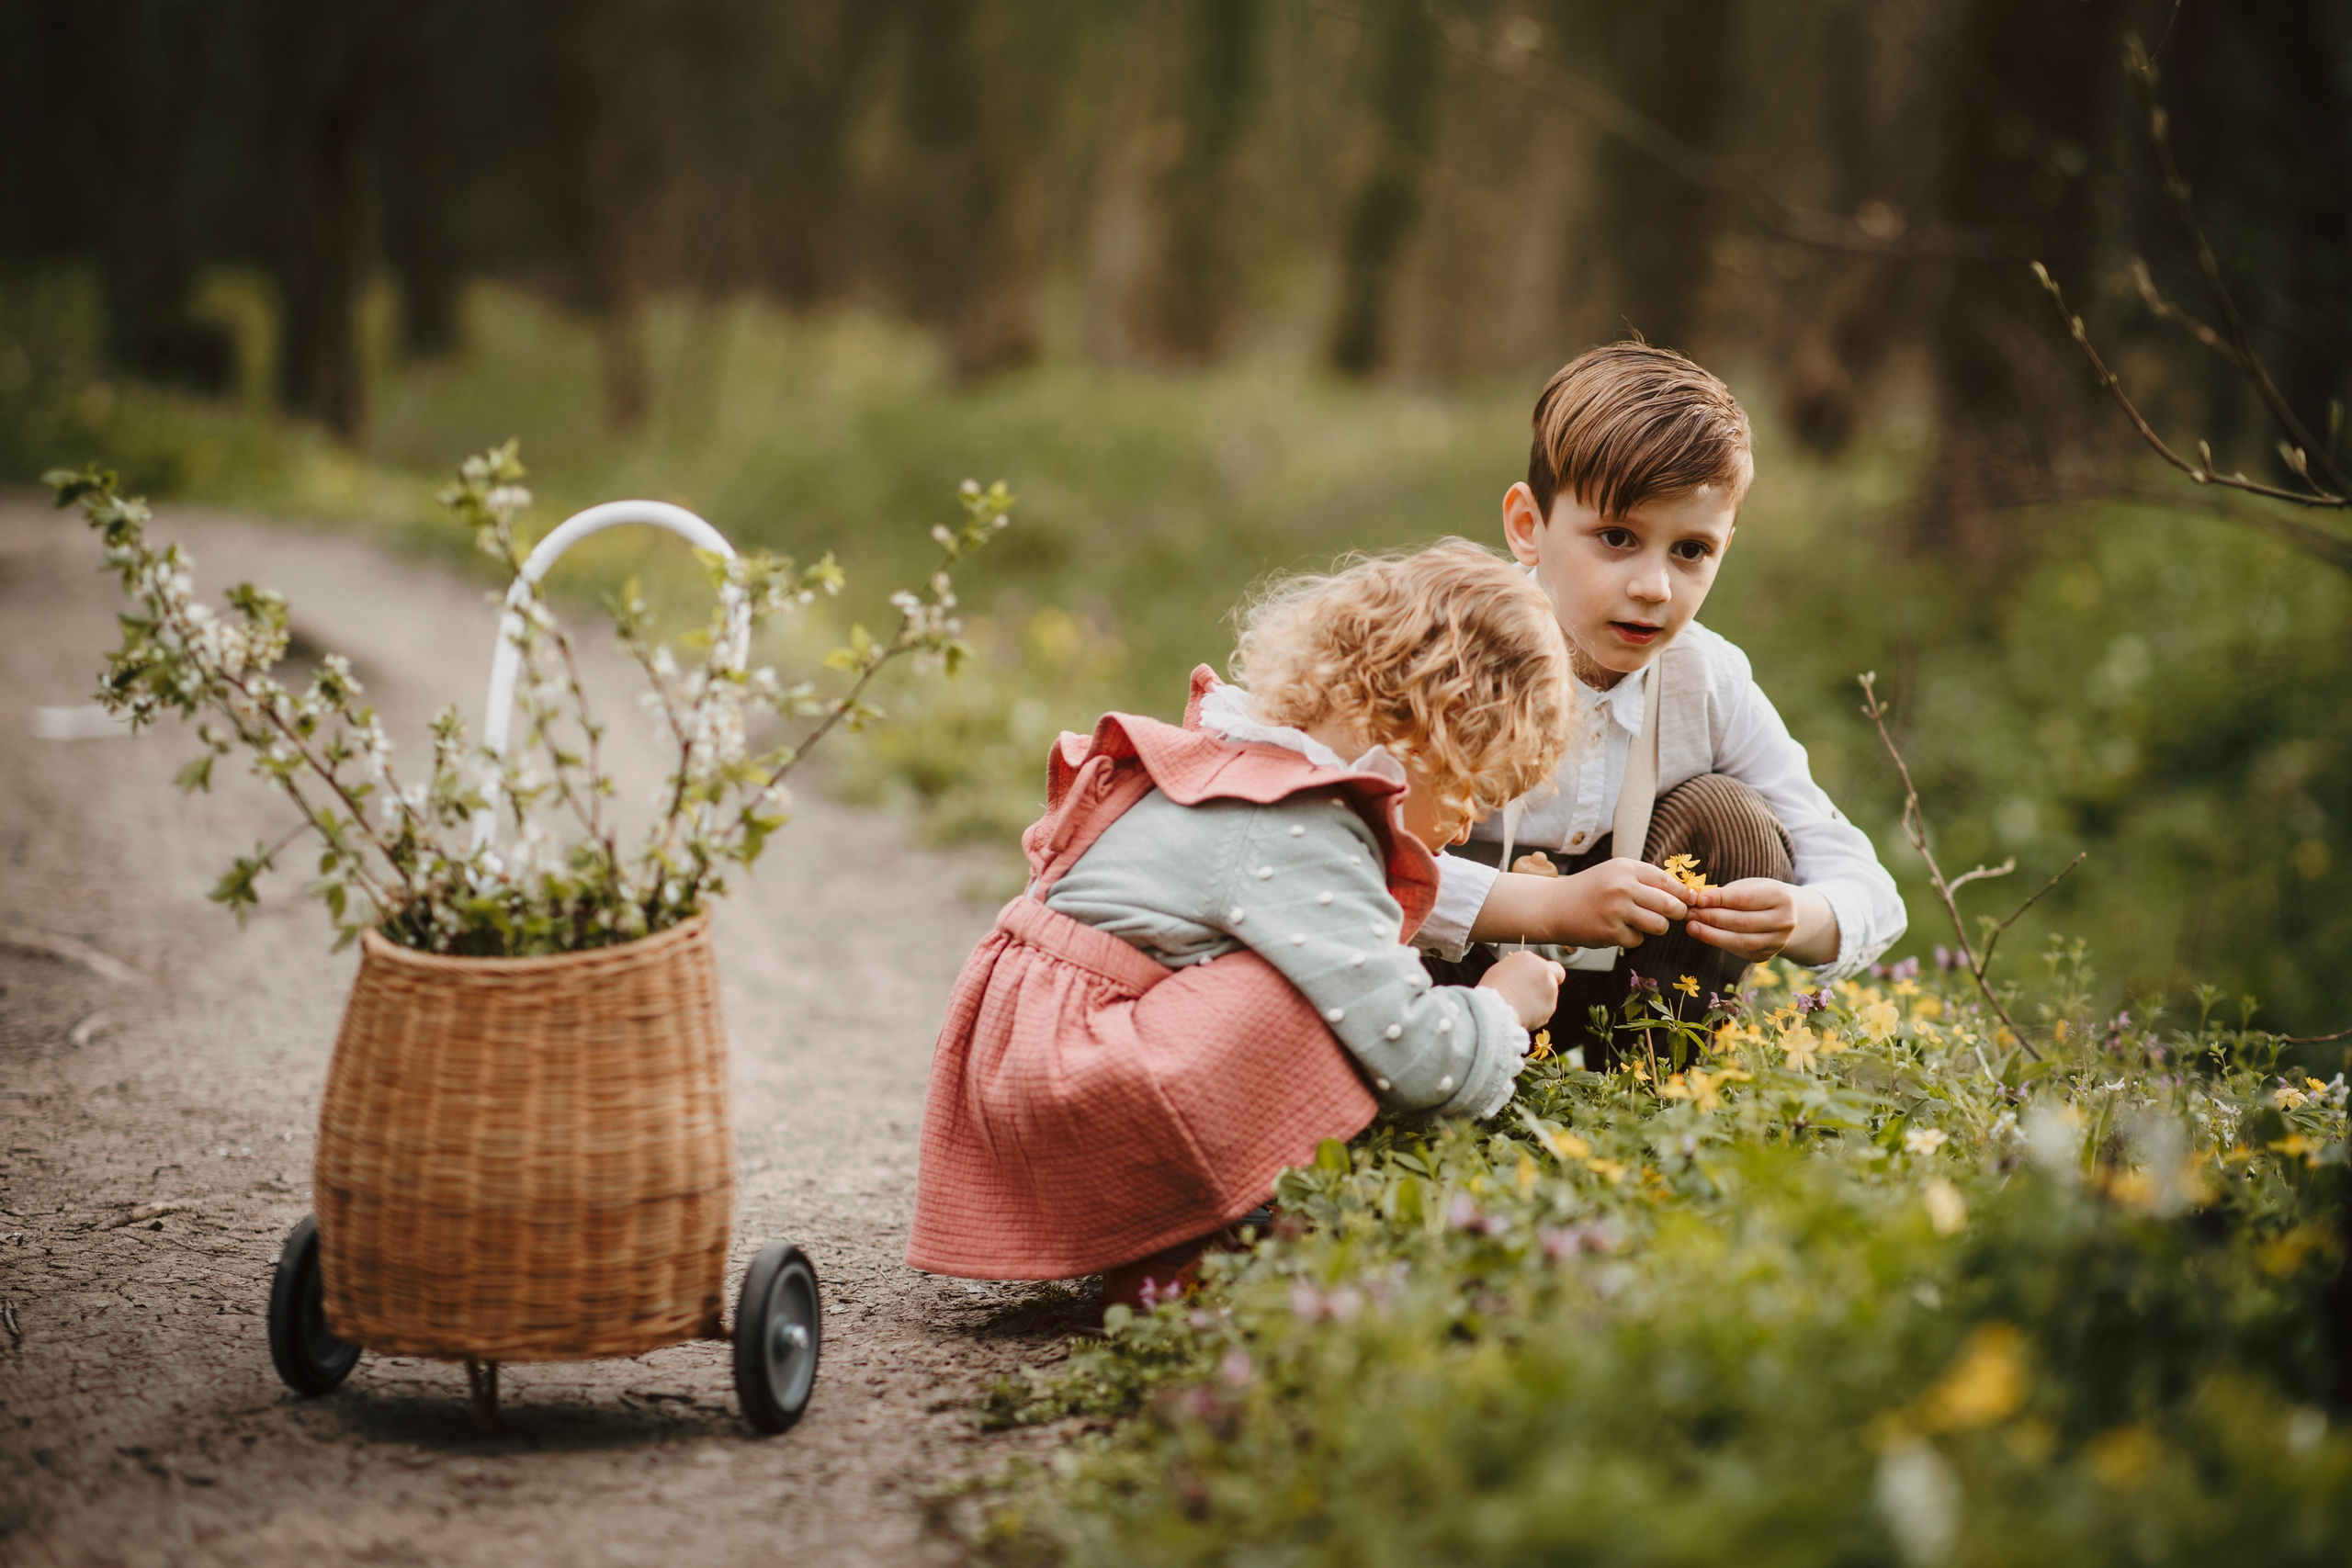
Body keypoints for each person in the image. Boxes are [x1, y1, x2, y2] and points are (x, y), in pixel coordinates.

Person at [909, 544, 1574, 1306]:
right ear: (1428, 736)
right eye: (1474, 789)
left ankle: (1186, 1229)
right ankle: (1181, 1247)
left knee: (1310, 964)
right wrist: (1501, 1005)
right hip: (1079, 1088)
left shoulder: (1243, 760)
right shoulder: (1299, 826)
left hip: (1035, 1068)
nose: (1467, 824)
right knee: (1321, 996)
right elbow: (1414, 1052)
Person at [1419, 342, 1905, 1059]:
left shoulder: (1706, 678)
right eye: (1617, 538)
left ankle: (1646, 1087)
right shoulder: (1445, 651)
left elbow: (1869, 887)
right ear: (1529, 525)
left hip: (1616, 994)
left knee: (1730, 819)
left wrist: (1799, 916)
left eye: (1690, 551)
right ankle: (1436, 1082)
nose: (1654, 586)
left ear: (1725, 546)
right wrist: (1552, 906)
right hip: (1439, 984)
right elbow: (1338, 857)